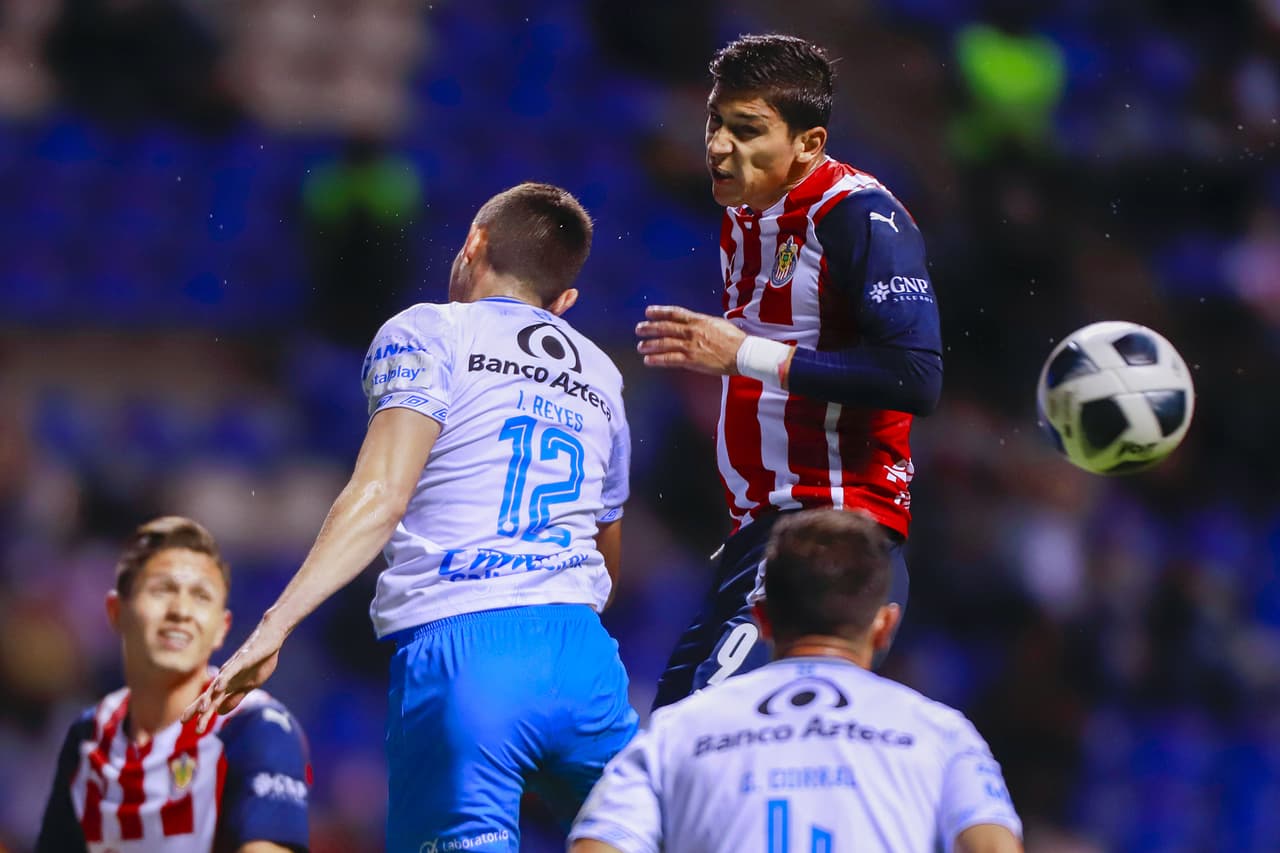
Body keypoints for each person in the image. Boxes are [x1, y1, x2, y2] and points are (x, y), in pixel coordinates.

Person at [185, 183, 637, 852]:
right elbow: (608, 548)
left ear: (474, 245)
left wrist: (273, 625)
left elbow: (381, 493)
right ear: (563, 301)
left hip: (466, 650)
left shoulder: (429, 329)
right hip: (584, 657)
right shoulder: (602, 373)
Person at [637, 34, 943, 708]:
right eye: (716, 124)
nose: (719, 145)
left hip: (833, 531)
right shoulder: (747, 216)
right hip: (762, 535)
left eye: (747, 130)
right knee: (667, 749)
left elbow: (915, 376)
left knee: (703, 733)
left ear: (808, 143)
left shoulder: (861, 216)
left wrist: (742, 354)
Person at [569, 510, 1023, 853]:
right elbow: (992, 843)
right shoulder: (940, 733)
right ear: (884, 626)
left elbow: (599, 844)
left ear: (762, 618)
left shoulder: (677, 732)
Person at [36, 516, 311, 853]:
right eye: (162, 590)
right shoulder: (88, 737)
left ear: (222, 628)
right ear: (116, 611)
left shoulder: (255, 726)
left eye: (201, 596)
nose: (181, 611)